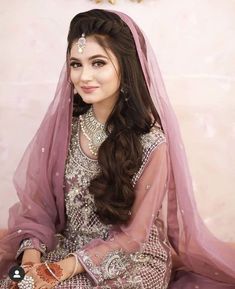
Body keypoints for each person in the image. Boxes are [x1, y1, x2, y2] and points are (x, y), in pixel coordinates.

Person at [0, 8, 234, 289]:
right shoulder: (64, 129)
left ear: (125, 65)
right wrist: (31, 261)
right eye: (76, 64)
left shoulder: (151, 142)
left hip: (129, 260)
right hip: (65, 250)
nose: (84, 76)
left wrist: (61, 271)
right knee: (14, 284)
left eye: (98, 63)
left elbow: (133, 237)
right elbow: (38, 209)